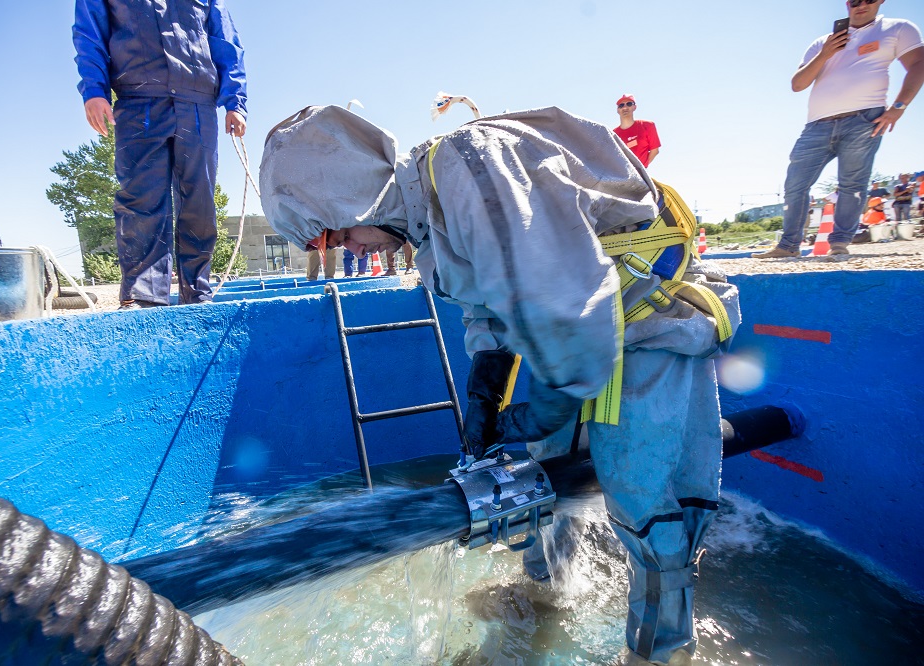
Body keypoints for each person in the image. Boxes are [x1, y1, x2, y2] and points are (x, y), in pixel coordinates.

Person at [259, 105, 740, 665]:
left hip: (650, 327)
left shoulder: (474, 166)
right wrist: (485, 392)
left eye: (332, 235)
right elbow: (489, 310)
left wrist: (552, 404)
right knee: (544, 466)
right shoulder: (430, 224)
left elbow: (560, 298)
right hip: (582, 338)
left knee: (642, 490)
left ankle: (660, 651)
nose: (348, 251)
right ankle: (547, 590)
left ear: (353, 195)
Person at [73, 0, 248, 309]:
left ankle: (197, 292)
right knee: (142, 199)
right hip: (137, 100)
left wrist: (235, 101)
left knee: (200, 201)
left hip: (197, 104)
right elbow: (89, 33)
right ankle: (143, 295)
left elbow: (224, 37)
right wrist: (94, 90)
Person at [755, 0, 924, 259]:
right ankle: (788, 245)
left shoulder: (897, 29)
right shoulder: (823, 43)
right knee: (795, 184)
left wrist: (899, 107)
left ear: (880, 1)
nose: (861, 5)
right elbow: (798, 84)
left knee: (852, 185)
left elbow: (918, 64)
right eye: (855, 0)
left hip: (864, 119)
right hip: (817, 124)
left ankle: (839, 244)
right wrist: (825, 53)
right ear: (847, 3)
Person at [612, 94, 661, 168]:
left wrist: (641, 169)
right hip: (621, 176)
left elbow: (655, 151)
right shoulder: (613, 134)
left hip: (640, 176)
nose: (625, 107)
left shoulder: (647, 126)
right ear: (618, 110)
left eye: (629, 104)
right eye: (621, 105)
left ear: (634, 107)